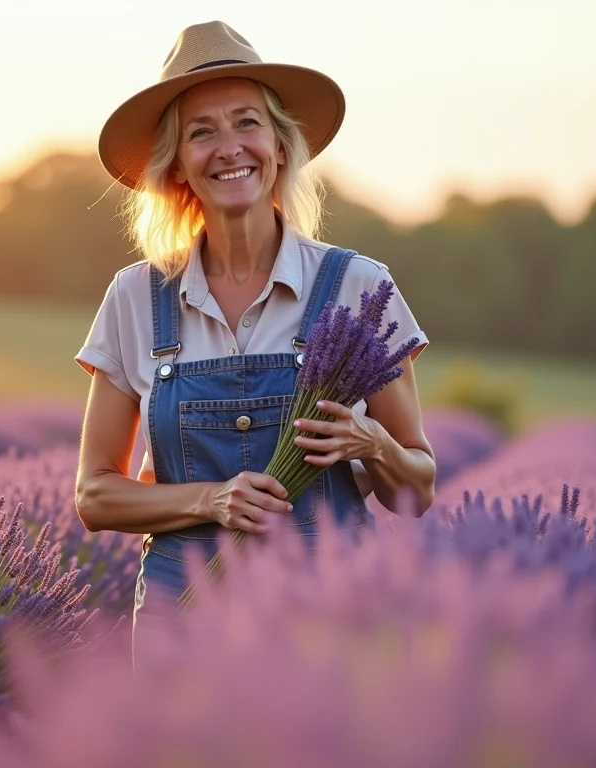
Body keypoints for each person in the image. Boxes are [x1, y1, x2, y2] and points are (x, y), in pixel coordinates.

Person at [73, 20, 436, 667]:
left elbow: (418, 488)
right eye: (201, 131)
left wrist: (371, 444)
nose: (228, 147)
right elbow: (94, 496)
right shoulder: (135, 297)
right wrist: (208, 498)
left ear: (278, 145)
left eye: (246, 122)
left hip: (328, 613)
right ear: (177, 163)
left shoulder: (357, 285)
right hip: (180, 623)